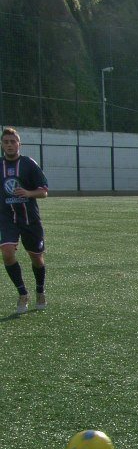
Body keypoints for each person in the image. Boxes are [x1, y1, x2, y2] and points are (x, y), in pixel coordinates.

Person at [1, 127, 49, 314]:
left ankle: (40, 290)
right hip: (6, 219)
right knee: (7, 253)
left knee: (37, 258)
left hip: (30, 219)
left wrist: (28, 193)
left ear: (19, 144)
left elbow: (44, 191)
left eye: (13, 142)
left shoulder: (29, 164)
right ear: (2, 145)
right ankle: (22, 293)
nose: (10, 145)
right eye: (6, 142)